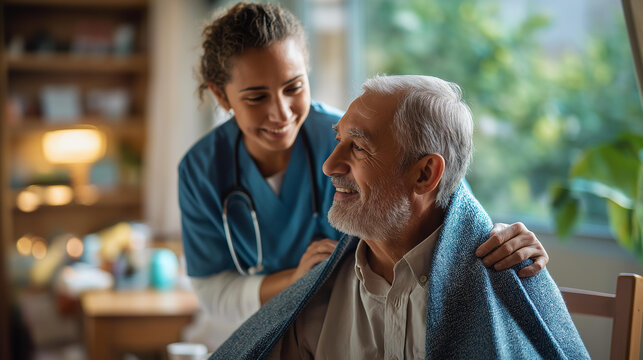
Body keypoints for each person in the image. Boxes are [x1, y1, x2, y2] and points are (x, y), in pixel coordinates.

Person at [179, 2, 550, 349]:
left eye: (294, 87)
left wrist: (503, 237)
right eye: (257, 97)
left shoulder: (348, 134)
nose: (281, 112)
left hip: (346, 327)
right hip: (257, 329)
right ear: (222, 96)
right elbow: (212, 290)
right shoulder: (202, 169)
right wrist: (293, 284)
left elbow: (445, 199)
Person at [211, 75, 589, 359]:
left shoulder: (501, 274)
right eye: (338, 139)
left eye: (358, 147)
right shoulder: (320, 290)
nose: (330, 165)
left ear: (425, 174)